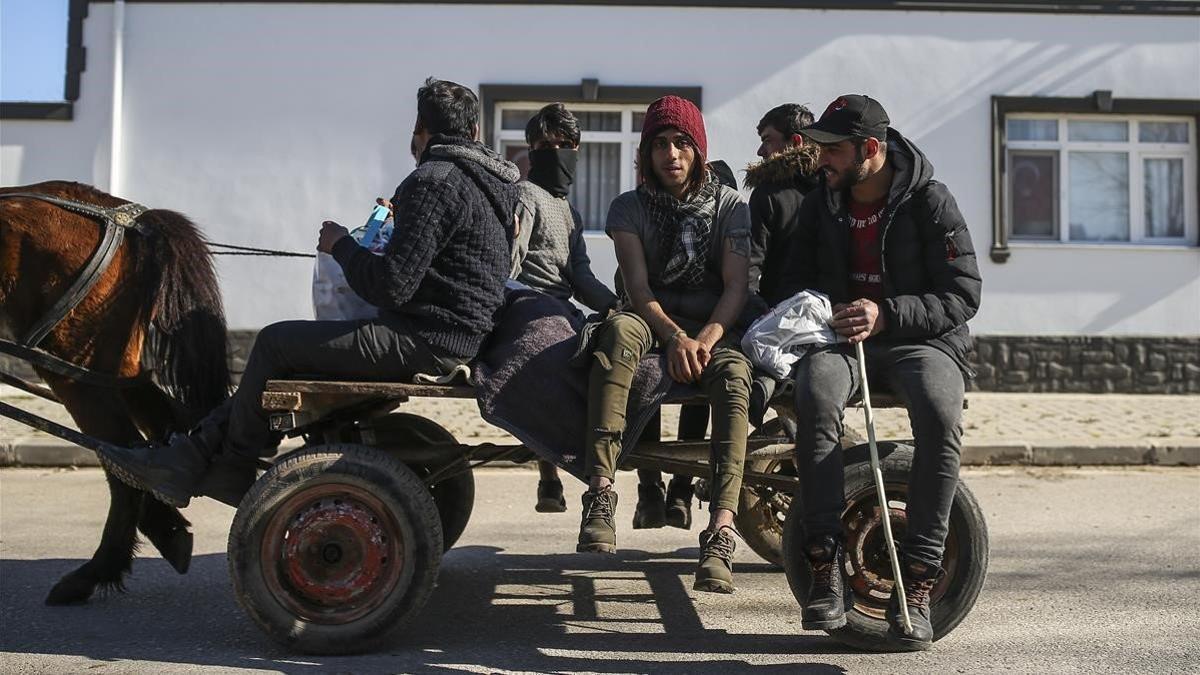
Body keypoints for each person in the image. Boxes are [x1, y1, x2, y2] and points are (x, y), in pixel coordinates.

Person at [97, 78, 522, 508]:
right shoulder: (494, 185)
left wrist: (341, 244)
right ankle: (189, 453)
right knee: (286, 352)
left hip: (427, 339)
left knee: (274, 343)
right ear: (474, 134)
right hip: (458, 334)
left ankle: (232, 464)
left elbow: (391, 285)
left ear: (421, 130)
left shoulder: (433, 181)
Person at [773, 95, 981, 649]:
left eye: (833, 149)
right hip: (841, 340)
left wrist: (886, 312)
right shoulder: (824, 202)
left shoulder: (931, 202)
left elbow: (963, 294)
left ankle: (916, 582)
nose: (821, 160)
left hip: (920, 340)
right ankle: (824, 564)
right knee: (815, 400)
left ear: (870, 149)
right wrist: (818, 309)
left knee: (940, 415)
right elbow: (795, 277)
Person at [576, 95, 753, 594]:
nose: (671, 154)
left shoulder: (730, 207)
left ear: (698, 150)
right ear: (646, 153)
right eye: (660, 144)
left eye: (682, 144)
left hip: (713, 324)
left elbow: (737, 286)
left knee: (735, 377)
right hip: (649, 317)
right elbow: (637, 287)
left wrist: (702, 340)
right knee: (614, 334)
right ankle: (602, 493)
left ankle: (720, 528)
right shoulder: (627, 207)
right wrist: (673, 336)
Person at [509, 103, 619, 513]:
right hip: (527, 305)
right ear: (532, 150)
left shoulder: (570, 212)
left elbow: (581, 276)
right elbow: (510, 263)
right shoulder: (525, 195)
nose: (556, 151)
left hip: (562, 306)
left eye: (565, 144)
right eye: (546, 144)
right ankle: (549, 476)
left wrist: (615, 305)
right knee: (554, 359)